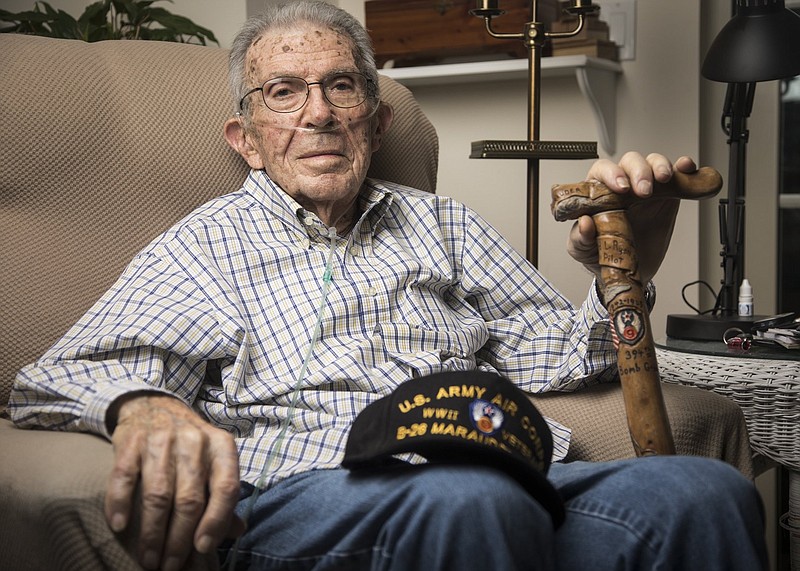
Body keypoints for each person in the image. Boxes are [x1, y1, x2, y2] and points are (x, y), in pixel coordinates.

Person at [9, 2, 767, 570]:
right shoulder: (206, 244)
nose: (319, 114)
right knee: (470, 498)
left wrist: (631, 251)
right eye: (283, 91)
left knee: (703, 492)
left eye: (341, 87)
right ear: (245, 139)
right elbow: (57, 377)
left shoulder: (443, 224)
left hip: (507, 469)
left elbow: (565, 357)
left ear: (372, 121)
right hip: (317, 494)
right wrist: (143, 405)